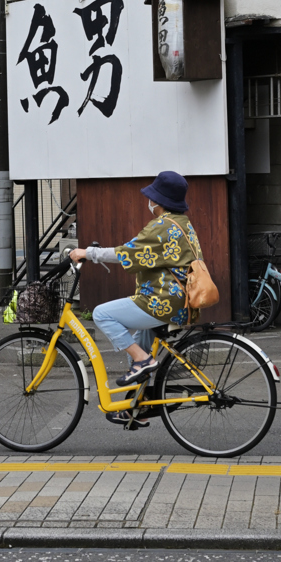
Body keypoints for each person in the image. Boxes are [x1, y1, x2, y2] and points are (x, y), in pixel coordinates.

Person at [69, 170, 204, 400]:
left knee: (102, 314)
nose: (149, 201)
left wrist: (87, 252)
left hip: (161, 302)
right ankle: (137, 405)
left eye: (152, 197)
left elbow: (126, 253)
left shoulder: (162, 226)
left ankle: (143, 360)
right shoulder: (182, 224)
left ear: (158, 201)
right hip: (181, 303)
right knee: (139, 347)